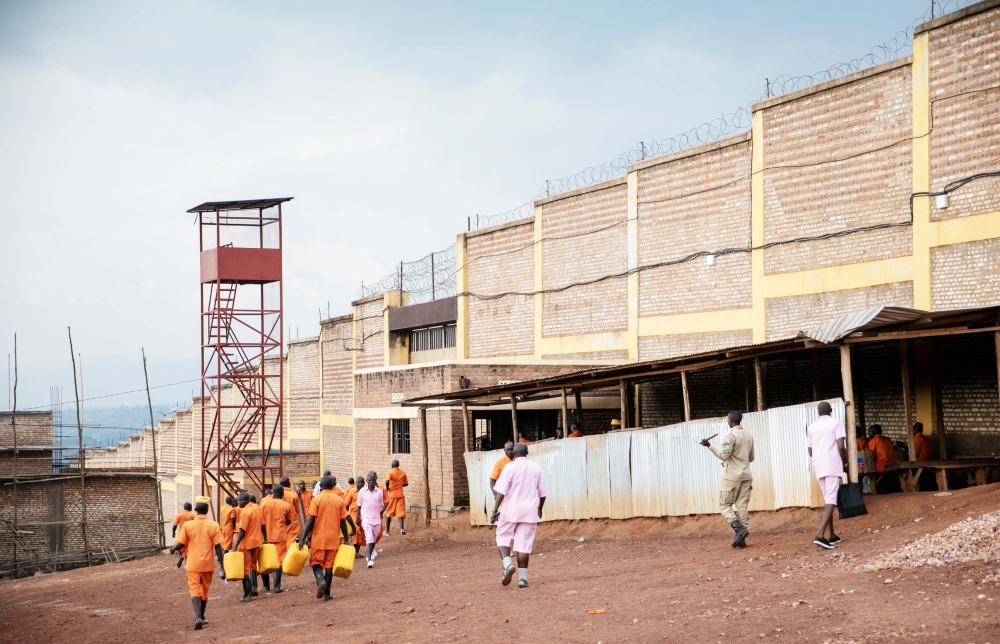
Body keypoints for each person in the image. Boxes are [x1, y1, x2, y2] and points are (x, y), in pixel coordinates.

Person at [489, 442, 546, 588]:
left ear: (514, 453)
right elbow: (542, 494)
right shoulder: (536, 468)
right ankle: (523, 579)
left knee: (502, 537)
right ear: (527, 453)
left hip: (510, 510)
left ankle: (508, 565)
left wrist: (495, 510)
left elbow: (501, 491)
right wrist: (540, 508)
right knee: (524, 546)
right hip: (529, 511)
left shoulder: (509, 467)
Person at [700, 410, 754, 548]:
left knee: (723, 505)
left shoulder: (729, 436)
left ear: (730, 421)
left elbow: (724, 456)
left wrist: (709, 446)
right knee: (742, 506)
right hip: (746, 476)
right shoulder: (749, 436)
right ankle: (742, 540)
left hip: (732, 476)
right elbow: (751, 458)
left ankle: (739, 530)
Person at [169, 498, 225, 630]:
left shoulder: (188, 525)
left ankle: (197, 616)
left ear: (196, 510)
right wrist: (222, 566)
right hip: (207, 564)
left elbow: (181, 543)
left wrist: (173, 549)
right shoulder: (214, 525)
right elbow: (218, 548)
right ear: (206, 511)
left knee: (194, 589)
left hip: (193, 563)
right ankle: (202, 616)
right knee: (204, 590)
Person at [298, 476, 352, 601]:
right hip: (333, 539)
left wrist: (303, 537)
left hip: (319, 539)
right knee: (329, 566)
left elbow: (310, 520)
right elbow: (343, 521)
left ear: (320, 487)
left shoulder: (316, 500)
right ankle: (327, 593)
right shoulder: (338, 500)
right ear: (332, 487)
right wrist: (346, 539)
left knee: (316, 563)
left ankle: (320, 580)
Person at [806, 401, 847, 549]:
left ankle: (832, 535)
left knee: (828, 500)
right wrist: (845, 462)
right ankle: (820, 535)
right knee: (830, 500)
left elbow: (810, 451)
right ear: (831, 410)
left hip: (819, 466)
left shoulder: (811, 427)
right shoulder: (837, 422)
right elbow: (841, 446)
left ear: (818, 412)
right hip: (832, 464)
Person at [260, 483, 295, 593]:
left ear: (272, 493)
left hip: (265, 537)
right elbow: (289, 521)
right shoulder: (286, 505)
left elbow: (260, 521)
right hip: (280, 536)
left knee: (264, 560)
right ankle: (277, 586)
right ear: (282, 493)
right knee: (279, 560)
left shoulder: (264, 504)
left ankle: (266, 586)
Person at [230, 491, 264, 602]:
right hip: (256, 542)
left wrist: (236, 545)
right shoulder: (257, 508)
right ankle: (254, 588)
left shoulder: (245, 512)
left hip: (246, 544)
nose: (239, 502)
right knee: (253, 566)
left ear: (247, 500)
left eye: (241, 500)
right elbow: (263, 525)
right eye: (238, 500)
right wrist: (266, 538)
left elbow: (242, 531)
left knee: (245, 570)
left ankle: (247, 594)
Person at [357, 472, 386, 568]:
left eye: (373, 480)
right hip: (366, 519)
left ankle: (370, 553)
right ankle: (369, 560)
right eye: (369, 480)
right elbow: (359, 506)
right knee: (368, 538)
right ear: (367, 481)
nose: (371, 482)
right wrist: (358, 517)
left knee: (373, 539)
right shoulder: (362, 492)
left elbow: (381, 504)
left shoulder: (379, 492)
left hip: (376, 519)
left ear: (376, 480)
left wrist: (380, 514)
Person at [385, 460, 409, 536]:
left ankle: (387, 531)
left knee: (389, 512)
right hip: (400, 495)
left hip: (392, 495)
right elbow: (406, 484)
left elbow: (387, 481)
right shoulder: (403, 473)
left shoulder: (390, 472)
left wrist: (387, 488)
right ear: (398, 465)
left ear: (392, 466)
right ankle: (402, 529)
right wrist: (400, 486)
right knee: (401, 511)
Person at [172, 502, 195, 568]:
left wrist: (173, 533)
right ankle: (187, 564)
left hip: (182, 535)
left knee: (177, 548)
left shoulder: (179, 515)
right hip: (190, 536)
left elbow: (174, 525)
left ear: (184, 507)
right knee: (187, 550)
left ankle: (180, 557)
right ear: (190, 508)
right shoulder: (193, 516)